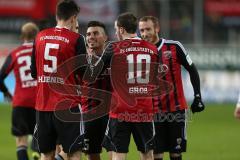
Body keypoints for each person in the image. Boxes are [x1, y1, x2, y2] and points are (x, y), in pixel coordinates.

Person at [139, 16, 205, 160]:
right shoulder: (140, 53)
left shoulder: (174, 46)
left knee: (176, 153)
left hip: (176, 110)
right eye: (142, 30)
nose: (144, 34)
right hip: (152, 113)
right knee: (157, 154)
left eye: (148, 29)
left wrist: (197, 96)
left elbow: (192, 70)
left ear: (157, 28)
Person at [30, 1, 87, 160]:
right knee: (74, 152)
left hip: (43, 106)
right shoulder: (76, 39)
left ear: (57, 15)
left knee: (46, 154)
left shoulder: (39, 36)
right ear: (74, 17)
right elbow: (84, 74)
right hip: (68, 106)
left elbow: (34, 72)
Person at [101, 12, 159, 160]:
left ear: (121, 30)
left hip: (120, 109)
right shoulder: (152, 49)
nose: (115, 32)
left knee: (118, 154)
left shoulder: (113, 48)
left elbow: (93, 73)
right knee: (147, 154)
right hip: (144, 109)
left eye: (116, 29)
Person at [0, 22, 39, 160]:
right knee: (43, 139)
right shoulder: (41, 51)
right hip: (40, 103)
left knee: (21, 142)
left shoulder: (15, 53)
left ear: (22, 36)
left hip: (20, 102)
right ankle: (37, 153)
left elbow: (0, 76)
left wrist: (6, 93)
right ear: (37, 35)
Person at [81, 20, 111, 160]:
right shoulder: (81, 59)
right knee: (92, 155)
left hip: (111, 115)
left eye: (95, 33)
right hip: (89, 114)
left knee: (116, 153)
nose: (91, 37)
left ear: (105, 37)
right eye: (88, 34)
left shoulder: (115, 58)